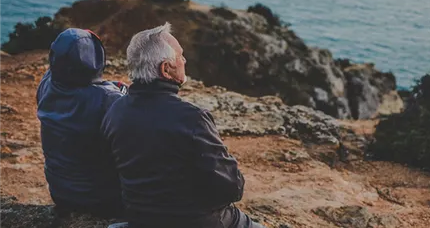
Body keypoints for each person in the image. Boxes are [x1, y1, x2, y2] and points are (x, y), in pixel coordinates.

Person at [101, 23, 264, 228]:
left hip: (140, 220)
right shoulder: (193, 119)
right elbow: (231, 188)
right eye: (180, 56)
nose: (184, 60)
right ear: (166, 69)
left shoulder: (115, 111)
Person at [37, 28, 127, 218]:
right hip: (102, 198)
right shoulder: (109, 99)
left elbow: (80, 87)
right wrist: (121, 91)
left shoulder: (47, 84)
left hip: (60, 192)